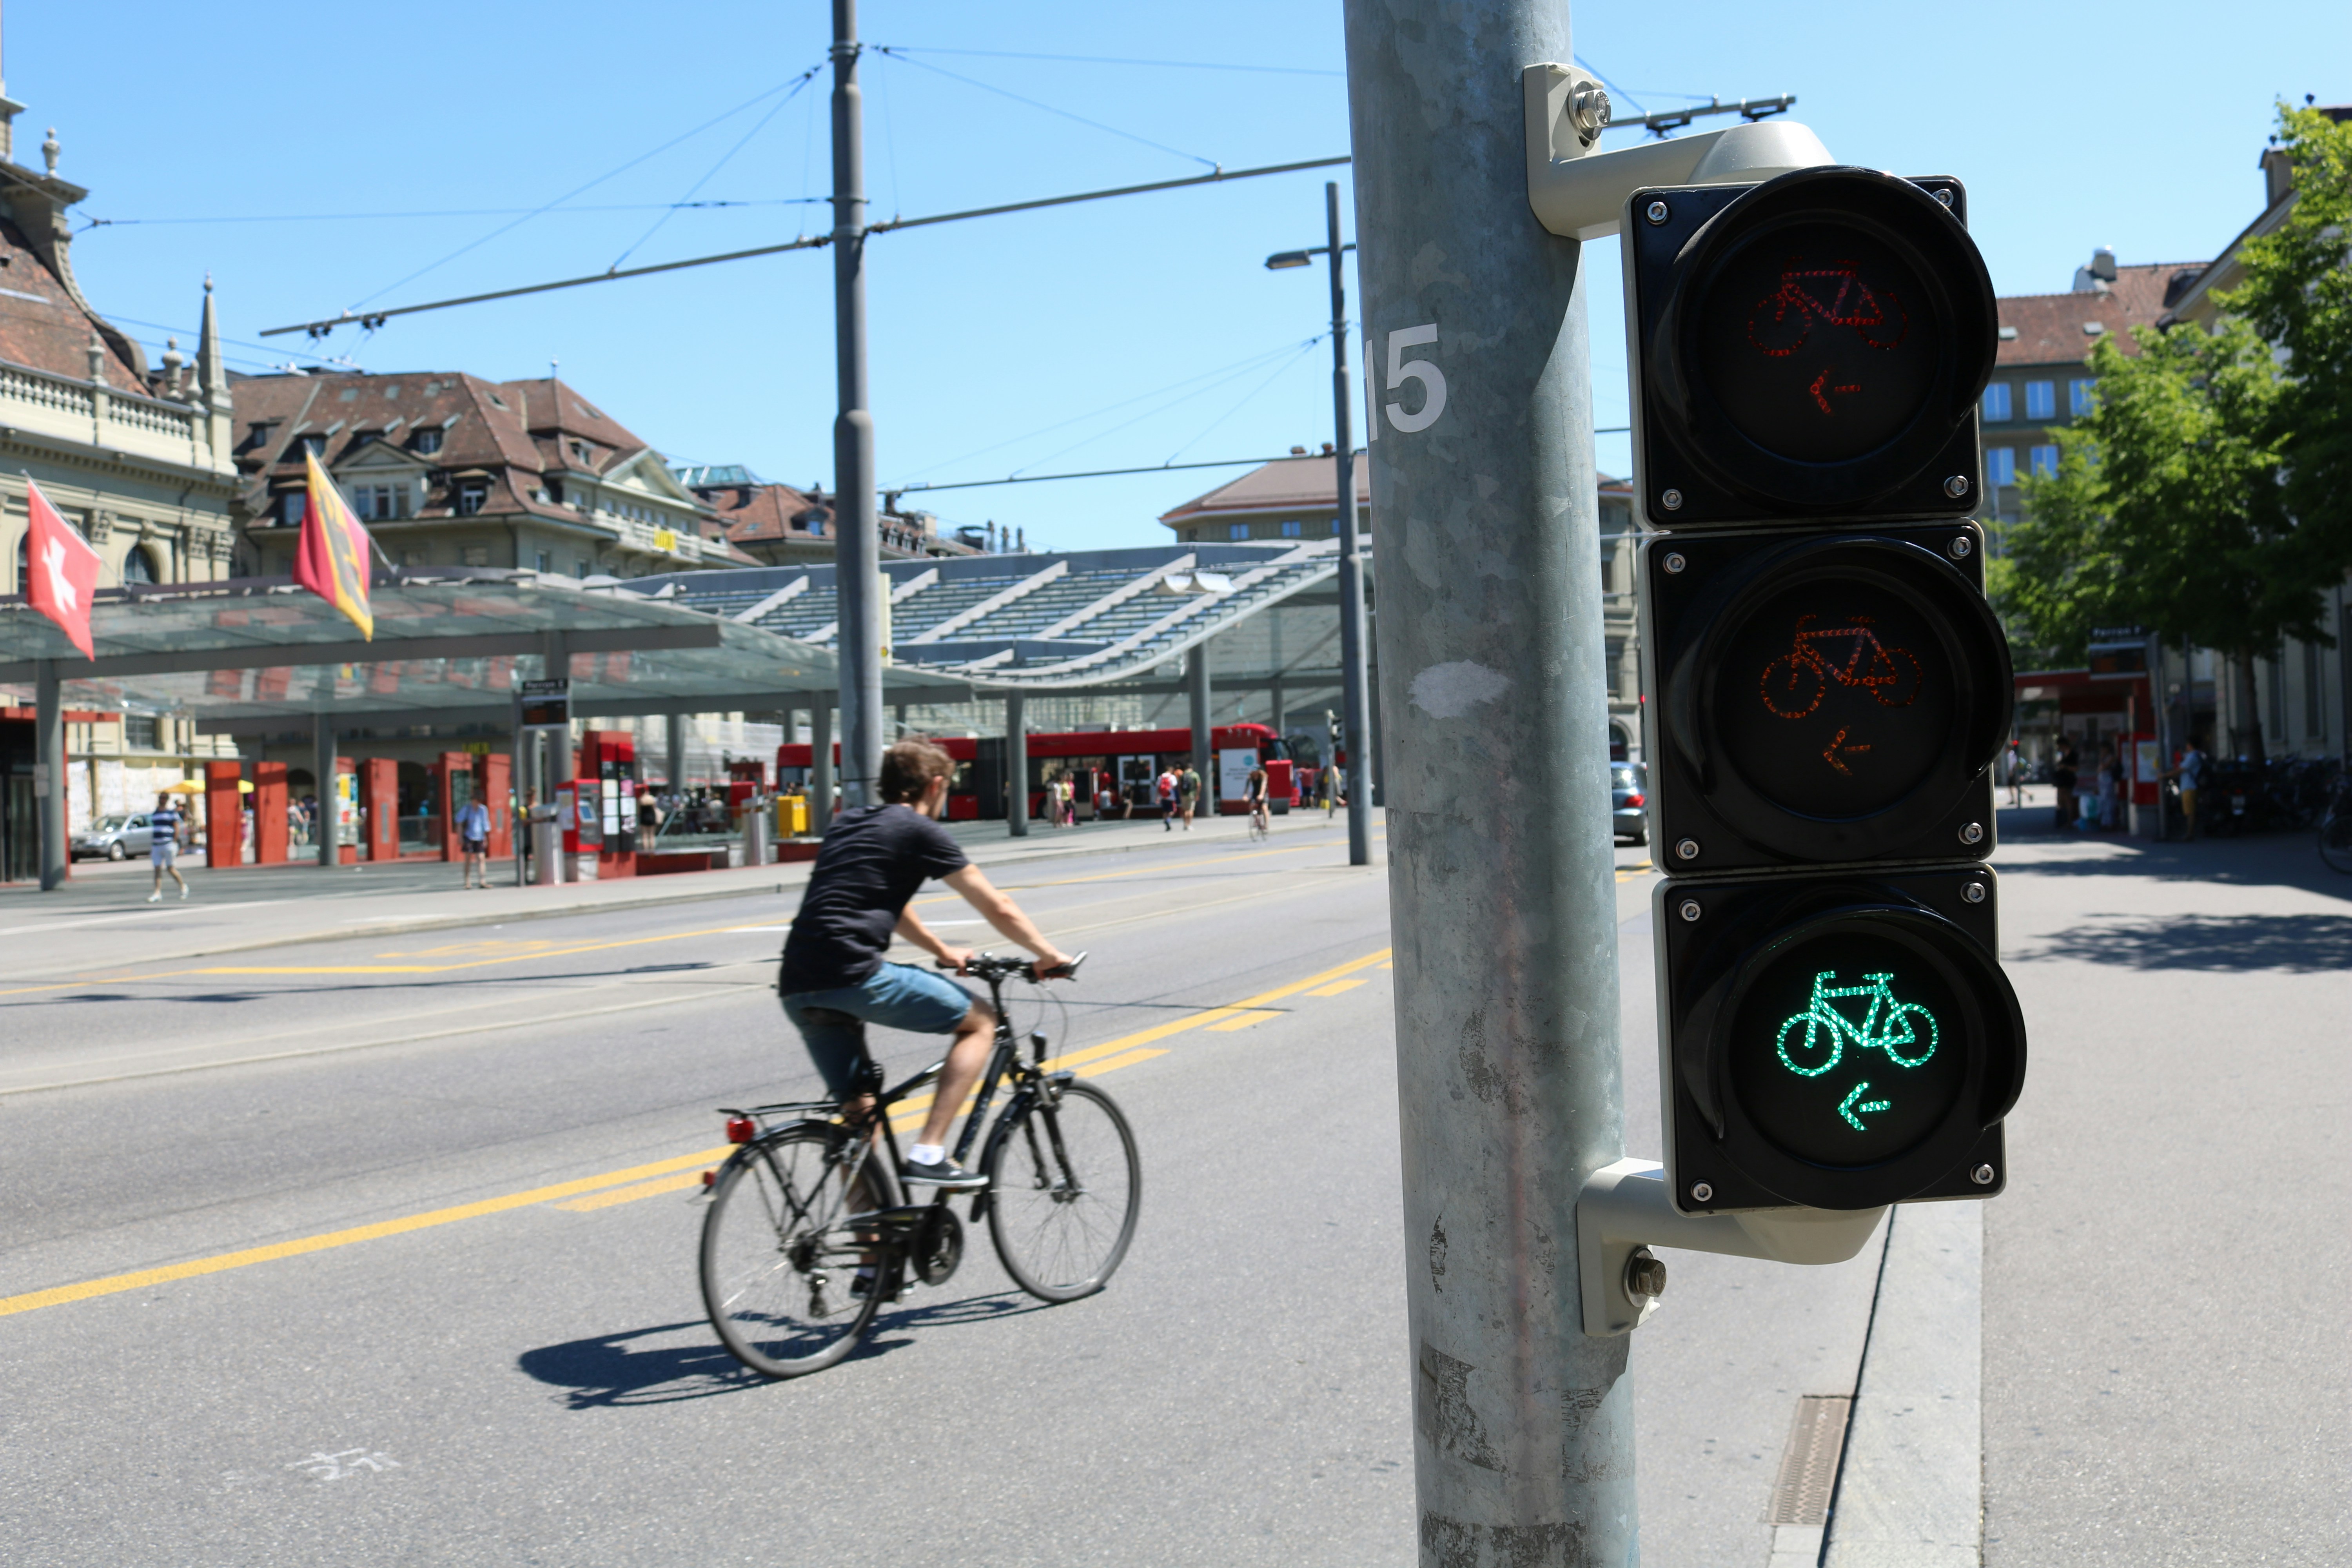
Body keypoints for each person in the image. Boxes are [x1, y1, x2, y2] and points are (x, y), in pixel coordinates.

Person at [779, 739, 1074, 1189]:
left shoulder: (849, 822)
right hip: (853, 972)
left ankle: (870, 1252)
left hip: (797, 983)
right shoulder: (919, 829)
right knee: (983, 1024)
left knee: (860, 1119)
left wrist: (940, 949)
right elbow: (999, 907)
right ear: (936, 785)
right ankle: (930, 1150)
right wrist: (1047, 955)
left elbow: (886, 903)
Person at [146, 792, 189, 902]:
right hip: (157, 845)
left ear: (167, 800)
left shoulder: (171, 813)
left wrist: (174, 841)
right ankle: (157, 893)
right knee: (157, 869)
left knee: (171, 868)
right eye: (161, 798)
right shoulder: (155, 813)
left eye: (164, 798)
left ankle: (183, 886)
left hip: (168, 844)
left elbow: (177, 827)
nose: (162, 800)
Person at [2165, 735, 2208, 840]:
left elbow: (2181, 770)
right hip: (2189, 786)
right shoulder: (2196, 755)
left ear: (2190, 745)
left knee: (2190, 812)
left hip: (2190, 786)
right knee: (2190, 810)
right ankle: (2190, 832)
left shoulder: (2192, 757)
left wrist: (2165, 776)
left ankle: (2190, 834)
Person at [456, 793, 493, 888]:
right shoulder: (467, 809)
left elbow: (485, 823)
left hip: (480, 836)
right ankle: (467, 882)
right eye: (478, 800)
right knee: (468, 859)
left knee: (481, 858)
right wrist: (460, 837)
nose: (479, 802)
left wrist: (486, 838)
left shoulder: (483, 809)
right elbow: (459, 822)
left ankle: (482, 881)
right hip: (469, 836)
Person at [2051, 739, 2079, 833]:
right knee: (2061, 799)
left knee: (2068, 800)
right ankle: (2064, 819)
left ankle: (2070, 820)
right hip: (2062, 780)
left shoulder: (2073, 754)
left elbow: (2076, 768)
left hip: (2069, 779)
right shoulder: (2062, 754)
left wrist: (2065, 767)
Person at [1245, 760, 1270, 835]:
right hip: (1255, 793)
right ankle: (1257, 820)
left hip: (1264, 793)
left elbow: (1263, 786)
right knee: (1252, 806)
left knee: (1264, 808)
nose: (1254, 773)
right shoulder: (1250, 777)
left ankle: (1266, 825)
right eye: (1253, 771)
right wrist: (1245, 795)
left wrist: (1262, 795)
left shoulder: (1263, 776)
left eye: (1256, 771)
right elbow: (1247, 787)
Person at [1178, 762, 1202, 830]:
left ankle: (1185, 825)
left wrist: (1181, 794)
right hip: (1192, 794)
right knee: (1190, 810)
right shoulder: (1195, 775)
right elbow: (1199, 785)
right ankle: (1189, 825)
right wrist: (1197, 795)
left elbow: (1180, 786)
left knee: (1185, 810)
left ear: (1186, 768)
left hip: (1184, 795)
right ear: (1192, 768)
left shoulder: (1182, 775)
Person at [1157, 765, 1179, 831]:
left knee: (1165, 811)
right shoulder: (1172, 777)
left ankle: (1166, 822)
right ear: (1171, 770)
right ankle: (1168, 820)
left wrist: (1158, 797)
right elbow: (1174, 786)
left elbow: (1158, 787)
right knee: (1172, 811)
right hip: (1171, 797)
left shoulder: (1160, 777)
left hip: (1163, 797)